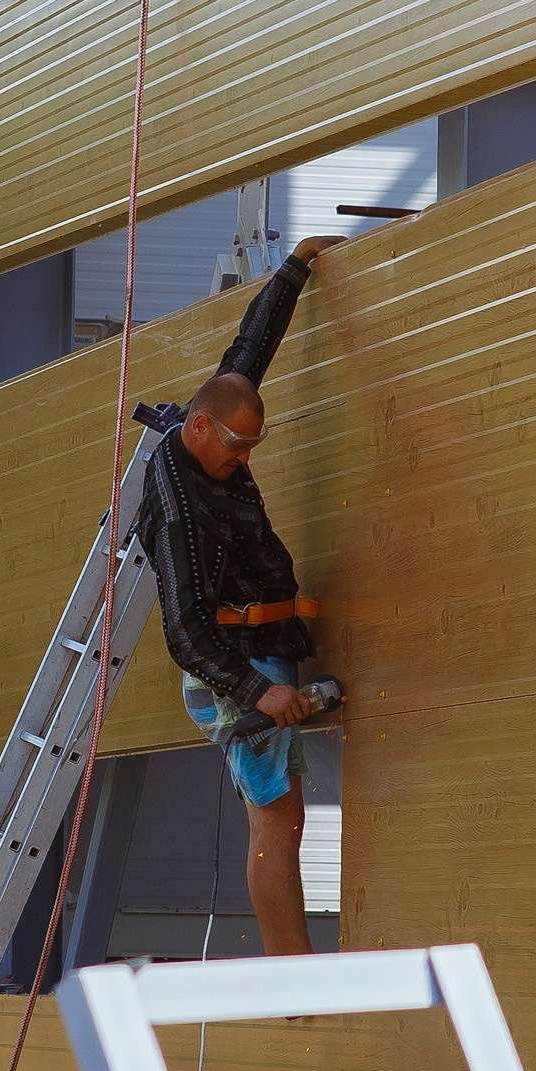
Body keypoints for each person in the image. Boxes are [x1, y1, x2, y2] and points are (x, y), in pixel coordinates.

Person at [137, 234, 346, 956]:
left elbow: (251, 347)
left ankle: (295, 968)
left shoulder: (220, 414)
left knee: (286, 818)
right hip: (230, 664)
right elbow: (185, 632)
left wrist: (294, 266)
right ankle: (294, 975)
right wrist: (258, 692)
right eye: (237, 446)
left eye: (253, 446)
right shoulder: (176, 509)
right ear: (197, 427)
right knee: (276, 818)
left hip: (266, 648)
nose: (244, 459)